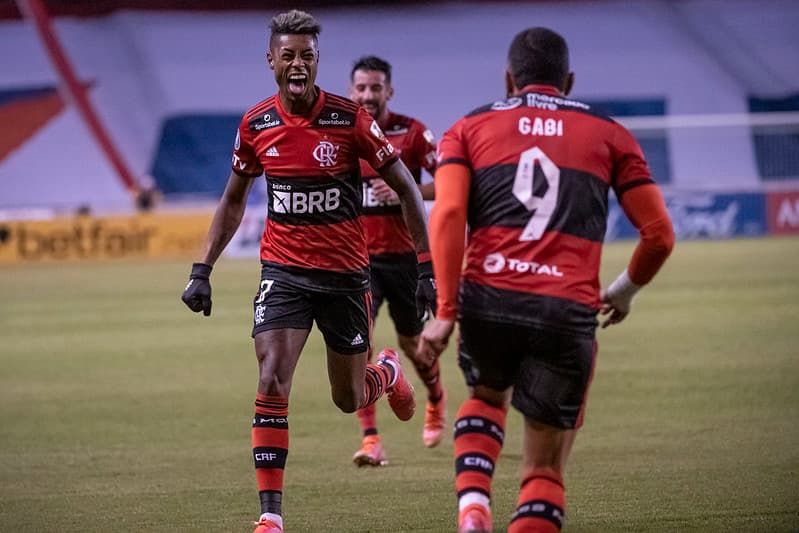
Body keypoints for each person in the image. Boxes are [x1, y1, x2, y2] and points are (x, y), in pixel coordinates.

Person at [179, 10, 436, 533]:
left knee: (349, 398)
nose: (298, 64)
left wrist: (426, 270)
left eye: (308, 56)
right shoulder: (256, 124)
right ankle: (270, 517)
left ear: (318, 64)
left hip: (344, 276)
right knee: (271, 377)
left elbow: (409, 188)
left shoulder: (349, 120)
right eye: (289, 55)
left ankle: (385, 370)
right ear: (271, 61)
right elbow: (233, 200)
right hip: (284, 272)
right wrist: (201, 268)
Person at [418, 27, 674, 533]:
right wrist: (622, 293)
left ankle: (473, 504)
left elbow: (446, 214)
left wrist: (446, 311)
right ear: (570, 80)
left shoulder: (467, 128)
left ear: (509, 79)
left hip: (489, 299)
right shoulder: (611, 133)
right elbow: (660, 235)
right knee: (544, 466)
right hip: (565, 309)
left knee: (487, 397)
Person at [348, 55, 446, 467]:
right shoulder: (344, 131)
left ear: (389, 91)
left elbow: (448, 181)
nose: (367, 95)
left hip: (407, 260)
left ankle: (436, 399)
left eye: (375, 88)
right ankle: (371, 440)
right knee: (357, 349)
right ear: (352, 90)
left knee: (413, 344)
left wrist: (409, 191)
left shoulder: (414, 133)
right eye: (361, 88)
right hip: (360, 263)